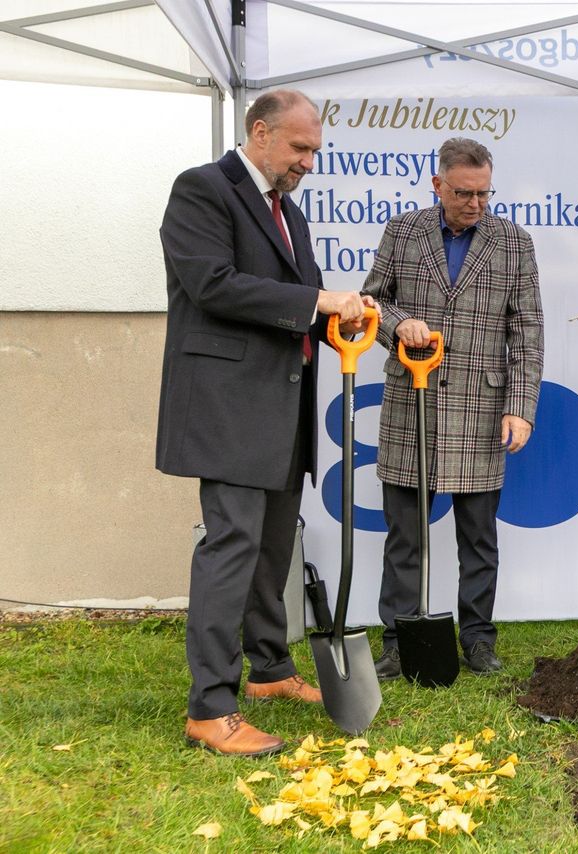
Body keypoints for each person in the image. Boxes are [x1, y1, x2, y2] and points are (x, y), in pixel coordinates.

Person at [157, 89, 376, 756]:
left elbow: (302, 305)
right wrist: (318, 298)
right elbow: (213, 284)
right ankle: (210, 709)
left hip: (283, 409)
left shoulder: (289, 214)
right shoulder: (203, 190)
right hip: (229, 408)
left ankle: (270, 672)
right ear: (259, 132)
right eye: (299, 147)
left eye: (314, 150)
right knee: (230, 551)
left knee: (272, 550)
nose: (309, 160)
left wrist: (341, 322)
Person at [361, 137, 544, 678]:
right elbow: (372, 303)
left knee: (479, 540)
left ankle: (479, 641)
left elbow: (527, 331)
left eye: (485, 193)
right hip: (409, 403)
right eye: (464, 192)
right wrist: (398, 326)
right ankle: (396, 642)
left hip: (482, 409)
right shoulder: (402, 231)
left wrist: (521, 406)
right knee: (404, 538)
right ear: (437, 184)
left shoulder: (514, 243)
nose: (476, 203)